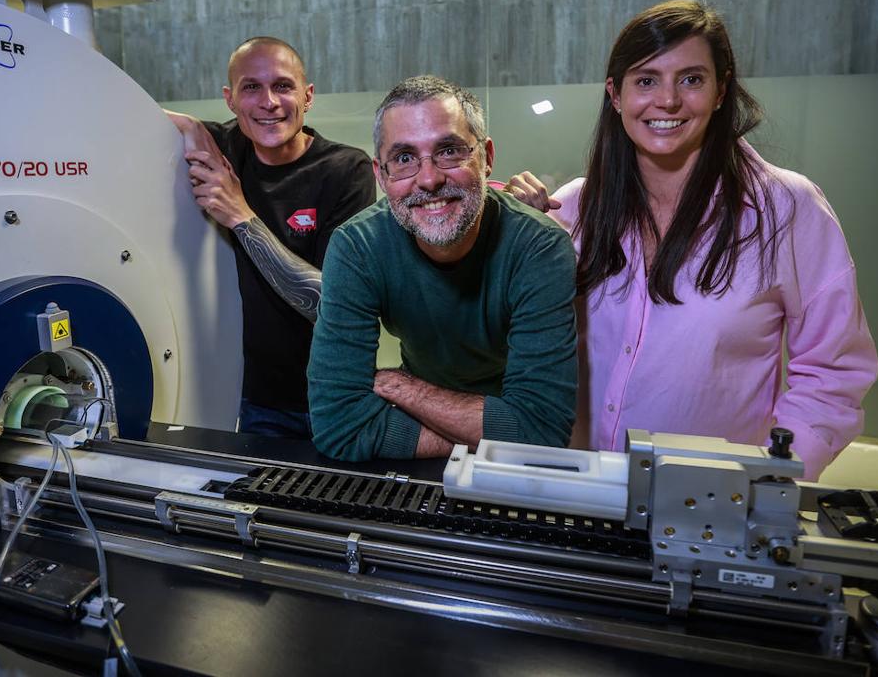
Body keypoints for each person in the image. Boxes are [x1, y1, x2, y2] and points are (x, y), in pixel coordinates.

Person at [504, 0, 878, 480]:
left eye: (691, 79)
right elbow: (518, 350)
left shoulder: (788, 209)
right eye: (646, 80)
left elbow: (833, 373)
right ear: (615, 95)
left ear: (721, 90)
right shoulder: (573, 209)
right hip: (581, 491)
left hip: (709, 507)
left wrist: (771, 483)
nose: (668, 101)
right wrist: (518, 248)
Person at [307, 75, 577, 461]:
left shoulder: (540, 247)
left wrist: (404, 389)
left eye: (449, 151)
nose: (429, 179)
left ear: (486, 158)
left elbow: (540, 433)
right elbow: (338, 427)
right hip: (463, 439)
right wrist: (496, 442)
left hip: (438, 425)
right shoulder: (357, 246)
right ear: (380, 175)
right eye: (403, 159)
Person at [167, 37, 375, 438]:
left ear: (307, 95)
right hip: (254, 397)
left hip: (331, 397)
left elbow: (331, 305)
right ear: (230, 99)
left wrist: (241, 215)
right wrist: (190, 126)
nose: (269, 102)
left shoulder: (345, 170)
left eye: (283, 86)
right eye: (251, 87)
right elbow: (117, 111)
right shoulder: (225, 146)